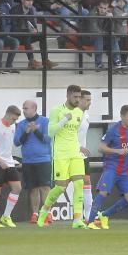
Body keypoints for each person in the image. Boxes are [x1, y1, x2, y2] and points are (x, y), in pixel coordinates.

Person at [36, 85, 87, 228]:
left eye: (79, 97)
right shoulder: (56, 111)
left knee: (79, 184)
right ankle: (44, 211)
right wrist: (64, 120)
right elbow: (51, 132)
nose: (78, 100)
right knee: (60, 188)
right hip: (60, 155)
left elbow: (74, 134)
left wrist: (79, 148)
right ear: (68, 95)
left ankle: (77, 219)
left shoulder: (79, 112)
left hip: (75, 153)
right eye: (75, 97)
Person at [87, 104, 128, 230]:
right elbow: (101, 148)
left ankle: (104, 215)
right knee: (103, 193)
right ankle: (89, 222)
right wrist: (118, 151)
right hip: (112, 168)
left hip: (126, 171)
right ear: (122, 116)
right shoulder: (113, 131)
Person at [14, 100, 51, 225]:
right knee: (33, 188)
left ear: (34, 108)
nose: (24, 110)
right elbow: (17, 142)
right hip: (28, 161)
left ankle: (46, 213)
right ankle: (35, 214)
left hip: (43, 159)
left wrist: (36, 130)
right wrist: (27, 131)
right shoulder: (21, 124)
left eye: (26, 108)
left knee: (45, 187)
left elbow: (47, 139)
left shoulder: (45, 121)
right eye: (23, 108)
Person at [78, 90, 95, 222]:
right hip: (70, 154)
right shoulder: (73, 115)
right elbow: (66, 136)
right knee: (62, 185)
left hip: (82, 156)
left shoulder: (87, 115)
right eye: (87, 100)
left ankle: (88, 216)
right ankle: (46, 211)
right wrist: (78, 147)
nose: (90, 102)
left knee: (87, 182)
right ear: (80, 100)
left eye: (90, 100)